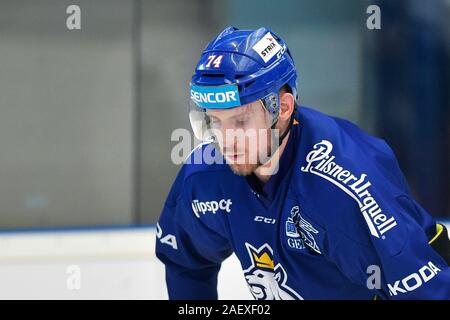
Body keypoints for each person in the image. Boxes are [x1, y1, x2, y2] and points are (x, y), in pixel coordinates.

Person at [155, 26, 450, 299]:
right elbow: (185, 263)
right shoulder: (206, 177)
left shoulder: (347, 187)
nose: (226, 140)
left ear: (282, 108)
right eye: (215, 121)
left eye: (241, 121)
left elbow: (426, 291)